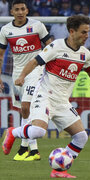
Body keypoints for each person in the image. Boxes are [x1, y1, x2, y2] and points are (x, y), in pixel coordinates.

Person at [2, 15, 90, 178]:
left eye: (88, 32)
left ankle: (58, 171)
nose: (87, 36)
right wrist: (22, 76)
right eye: (83, 32)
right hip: (44, 96)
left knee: (81, 137)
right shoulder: (56, 47)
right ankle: (13, 132)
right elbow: (35, 61)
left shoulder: (85, 54)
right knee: (38, 131)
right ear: (72, 31)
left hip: (62, 102)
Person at [0, 0, 52, 161]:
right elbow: (0, 56)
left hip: (36, 71)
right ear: (12, 12)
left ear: (27, 10)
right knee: (24, 111)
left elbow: (50, 46)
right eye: (17, 9)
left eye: (23, 9)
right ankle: (29, 149)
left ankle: (24, 146)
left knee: (26, 105)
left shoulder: (37, 26)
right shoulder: (6, 30)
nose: (20, 12)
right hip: (17, 73)